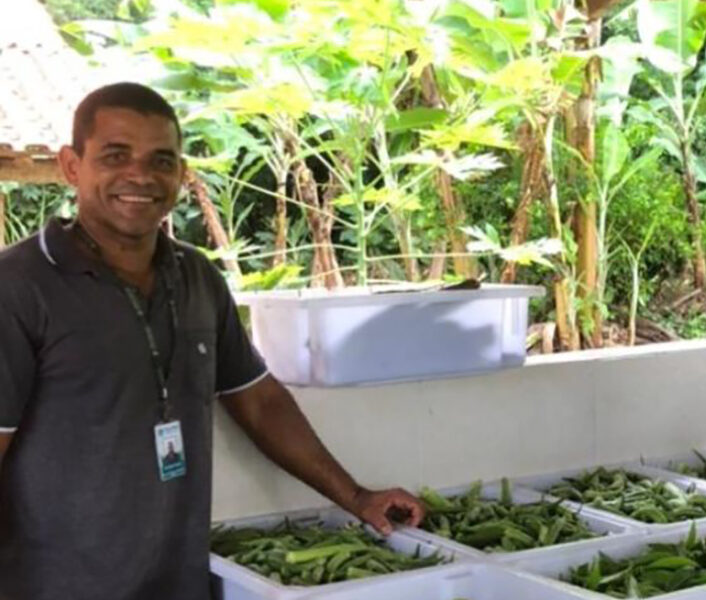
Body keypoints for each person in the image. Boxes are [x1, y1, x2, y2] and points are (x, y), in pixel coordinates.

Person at [0, 82, 425, 600]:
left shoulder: (196, 277)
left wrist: (358, 497)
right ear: (72, 166)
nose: (140, 175)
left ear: (180, 174)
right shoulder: (19, 286)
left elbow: (260, 401)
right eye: (116, 155)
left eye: (162, 160)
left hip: (179, 582)